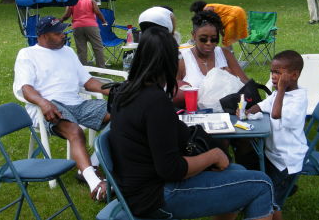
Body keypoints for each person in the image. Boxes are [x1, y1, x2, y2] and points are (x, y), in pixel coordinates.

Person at [109, 26, 278, 220]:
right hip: (156, 198)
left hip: (136, 189)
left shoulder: (124, 92)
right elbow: (171, 169)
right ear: (169, 62)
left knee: (237, 171)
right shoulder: (155, 102)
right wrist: (212, 155)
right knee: (262, 184)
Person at [13, 15, 109, 201]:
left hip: (78, 104)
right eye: (58, 33)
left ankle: (92, 165)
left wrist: (114, 91)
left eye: (63, 31)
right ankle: (94, 183)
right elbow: (26, 88)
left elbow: (87, 81)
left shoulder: (68, 52)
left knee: (123, 113)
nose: (63, 35)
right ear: (43, 35)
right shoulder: (27, 54)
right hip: (48, 106)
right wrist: (43, 103)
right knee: (74, 131)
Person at [246, 50, 308, 220]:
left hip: (287, 161)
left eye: (278, 73)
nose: (273, 76)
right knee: (266, 191)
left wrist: (280, 90)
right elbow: (263, 105)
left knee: (272, 201)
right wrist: (248, 110)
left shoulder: (297, 100)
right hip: (273, 156)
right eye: (272, 72)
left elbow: (275, 113)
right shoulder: (277, 95)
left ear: (294, 75)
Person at [177, 10, 249, 89]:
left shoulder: (225, 54)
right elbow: (172, 93)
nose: (209, 43)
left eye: (214, 39)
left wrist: (232, 77)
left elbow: (247, 85)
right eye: (203, 39)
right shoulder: (183, 60)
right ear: (194, 35)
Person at [61, 0, 107, 68]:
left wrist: (61, 20)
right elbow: (98, 12)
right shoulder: (91, 0)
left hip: (77, 26)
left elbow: (67, 14)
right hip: (91, 26)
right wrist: (104, 21)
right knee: (97, 47)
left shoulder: (72, 1)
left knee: (81, 49)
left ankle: (83, 68)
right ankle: (101, 68)